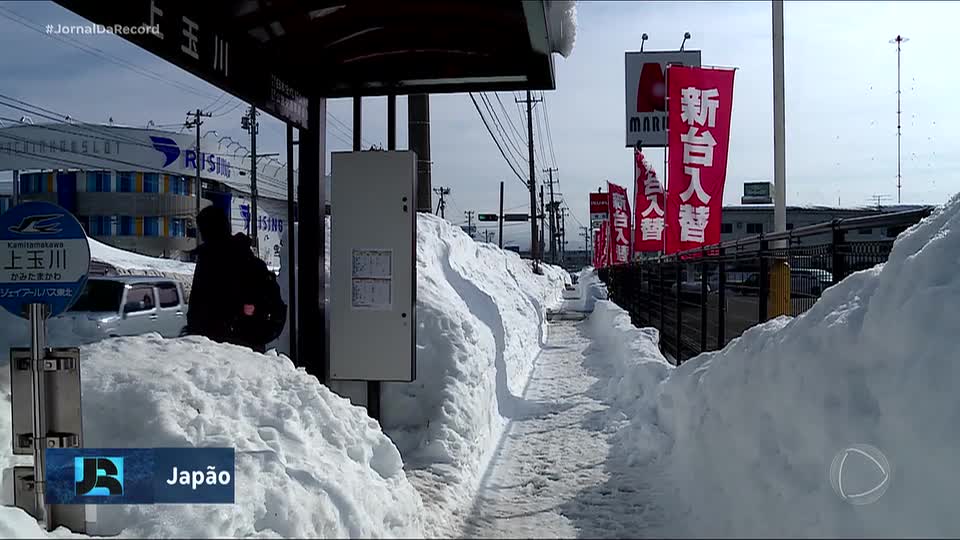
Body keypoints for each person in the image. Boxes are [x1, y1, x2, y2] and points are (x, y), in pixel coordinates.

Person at [184, 206, 285, 353]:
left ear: (209, 230)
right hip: (248, 345)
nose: (201, 235)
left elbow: (201, 303)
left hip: (224, 346)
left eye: (202, 230)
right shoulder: (244, 255)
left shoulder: (211, 259)